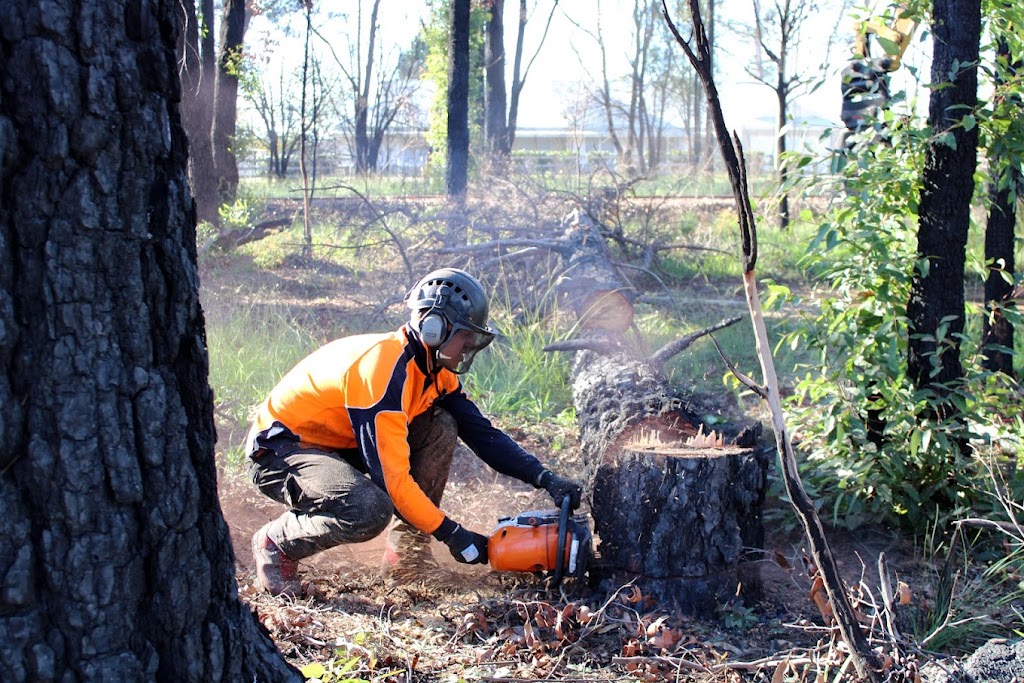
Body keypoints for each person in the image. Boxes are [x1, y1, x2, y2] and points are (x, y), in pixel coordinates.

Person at [245, 267, 583, 596]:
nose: (468, 346)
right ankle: (276, 542)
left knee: (441, 424)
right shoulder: (383, 371)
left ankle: (404, 556)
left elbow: (483, 434)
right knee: (368, 509)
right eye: (465, 335)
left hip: (336, 445)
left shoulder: (433, 369)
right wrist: (452, 533)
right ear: (435, 326)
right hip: (280, 451)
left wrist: (544, 477)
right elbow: (394, 482)